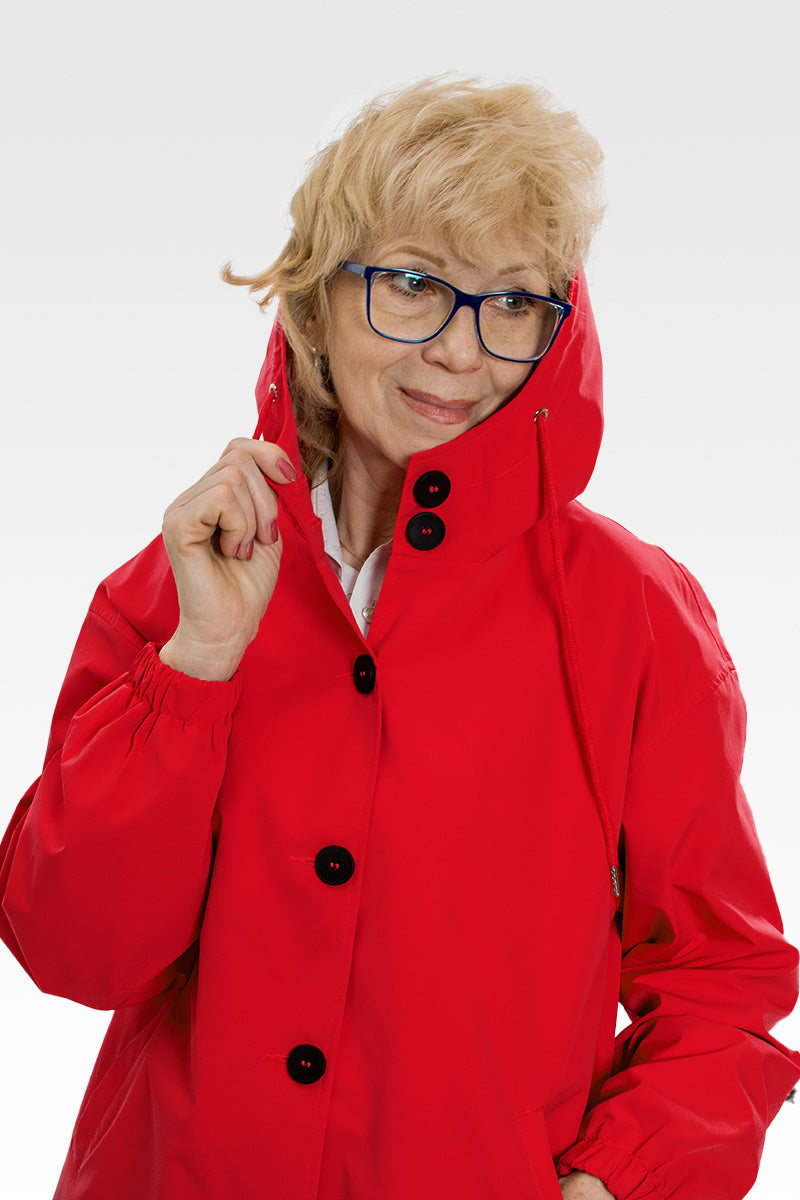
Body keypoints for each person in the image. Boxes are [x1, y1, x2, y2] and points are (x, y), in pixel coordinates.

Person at [0, 76, 797, 1200]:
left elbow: (720, 982)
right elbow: (74, 953)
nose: (461, 351)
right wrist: (197, 669)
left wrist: (611, 1184)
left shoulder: (631, 611)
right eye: (414, 284)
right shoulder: (179, 582)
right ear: (315, 298)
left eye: (511, 301)